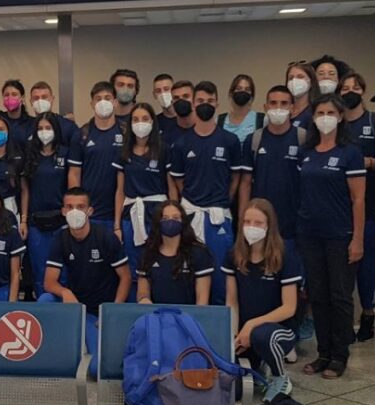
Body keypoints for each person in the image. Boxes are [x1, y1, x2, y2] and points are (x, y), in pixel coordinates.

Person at [297, 95, 366, 378]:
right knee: (317, 295)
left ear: (340, 117)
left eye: (330, 112)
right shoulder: (306, 152)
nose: (324, 117)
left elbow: (358, 199)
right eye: (320, 113)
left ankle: (339, 354)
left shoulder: (350, 152)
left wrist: (357, 239)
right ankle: (323, 352)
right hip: (309, 234)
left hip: (340, 234)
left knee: (340, 296)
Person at [167, 80, 249, 304]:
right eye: (201, 100)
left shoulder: (230, 140)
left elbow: (236, 177)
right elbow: (178, 180)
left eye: (210, 101)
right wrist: (193, 200)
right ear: (193, 103)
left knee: (221, 275)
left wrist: (223, 200)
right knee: (189, 273)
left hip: (218, 216)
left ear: (217, 104)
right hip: (191, 216)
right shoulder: (182, 143)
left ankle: (221, 323)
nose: (205, 104)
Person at [40, 187, 131, 374]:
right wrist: (65, 292)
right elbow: (49, 282)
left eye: (80, 207)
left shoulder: (106, 237)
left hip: (100, 312)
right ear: (63, 211)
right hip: (76, 306)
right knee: (45, 300)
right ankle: (55, 349)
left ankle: (91, 342)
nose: (74, 211)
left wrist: (111, 312)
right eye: (69, 207)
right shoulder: (60, 238)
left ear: (90, 211)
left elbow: (126, 277)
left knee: (97, 369)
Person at [223, 198, 301, 401]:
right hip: (244, 331)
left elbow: (289, 307)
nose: (251, 227)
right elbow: (232, 301)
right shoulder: (233, 256)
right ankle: (257, 367)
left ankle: (280, 377)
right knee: (234, 392)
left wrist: (251, 324)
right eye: (247, 222)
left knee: (262, 336)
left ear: (269, 226)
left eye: (258, 223)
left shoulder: (284, 256)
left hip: (279, 329)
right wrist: (234, 336)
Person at [339, 72, 375, 342]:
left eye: (355, 87)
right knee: (341, 268)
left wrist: (366, 162)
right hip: (339, 206)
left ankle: (368, 312)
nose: (350, 91)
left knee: (366, 265)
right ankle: (344, 319)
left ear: (363, 90)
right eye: (345, 88)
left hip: (370, 204)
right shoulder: (334, 124)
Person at [237, 86, 303, 249]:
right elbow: (245, 183)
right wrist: (243, 219)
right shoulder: (254, 140)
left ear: (292, 108)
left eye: (284, 103)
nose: (278, 108)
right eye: (273, 103)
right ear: (265, 107)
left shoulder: (303, 138)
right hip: (260, 223)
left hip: (294, 223)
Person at [114, 102, 168, 274]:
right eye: (136, 119)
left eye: (145, 119)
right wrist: (117, 226)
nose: (140, 123)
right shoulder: (124, 152)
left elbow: (171, 187)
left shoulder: (163, 150)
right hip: (130, 215)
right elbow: (120, 191)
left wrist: (172, 217)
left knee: (157, 263)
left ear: (152, 122)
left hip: (157, 214)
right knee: (133, 264)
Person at [20, 113, 69, 298]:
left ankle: (64, 306)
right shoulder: (30, 155)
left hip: (61, 220)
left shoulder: (65, 153)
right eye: (40, 128)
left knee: (63, 270)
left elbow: (72, 184)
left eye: (48, 128)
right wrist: (24, 220)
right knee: (40, 270)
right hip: (36, 222)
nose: (44, 132)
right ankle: (43, 306)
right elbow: (25, 190)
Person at [67, 82, 124, 233]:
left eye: (107, 98)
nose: (103, 102)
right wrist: (77, 209)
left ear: (115, 102)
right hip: (90, 213)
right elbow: (74, 173)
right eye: (98, 99)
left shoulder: (126, 133)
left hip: (120, 214)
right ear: (92, 104)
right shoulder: (81, 134)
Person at [136, 200, 213, 305]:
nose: (170, 222)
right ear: (158, 223)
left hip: (188, 314)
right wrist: (144, 300)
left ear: (183, 222)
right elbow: (142, 292)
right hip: (157, 313)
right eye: (165, 218)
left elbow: (202, 300)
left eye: (176, 218)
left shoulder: (198, 253)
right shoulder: (147, 253)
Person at [27, 81, 80, 148]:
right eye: (36, 98)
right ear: (31, 102)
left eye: (44, 97)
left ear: (52, 99)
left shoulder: (68, 126)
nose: (40, 101)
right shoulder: (26, 128)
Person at [223, 74, 261, 143]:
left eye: (247, 89)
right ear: (231, 93)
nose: (243, 91)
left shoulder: (260, 120)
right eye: (238, 88)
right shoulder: (219, 121)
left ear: (252, 95)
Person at [161, 80, 196, 149]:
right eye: (176, 98)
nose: (181, 100)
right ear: (172, 102)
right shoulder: (166, 136)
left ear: (195, 100)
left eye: (186, 96)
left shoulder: (206, 130)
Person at [0, 79, 34, 147]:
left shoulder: (32, 123)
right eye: (6, 95)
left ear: (22, 98)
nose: (10, 98)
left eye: (14, 94)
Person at [285, 63, 318, 130]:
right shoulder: (284, 111)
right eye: (291, 78)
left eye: (300, 77)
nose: (294, 81)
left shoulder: (315, 112)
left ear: (311, 82)